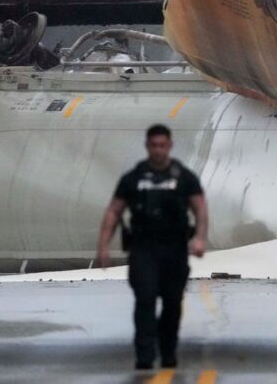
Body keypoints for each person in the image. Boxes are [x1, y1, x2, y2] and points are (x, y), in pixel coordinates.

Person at [97, 124, 209, 371]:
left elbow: (199, 207)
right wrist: (103, 245)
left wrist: (200, 238)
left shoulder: (184, 178)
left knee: (172, 303)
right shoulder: (133, 179)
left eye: (162, 145)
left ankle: (168, 350)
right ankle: (145, 354)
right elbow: (114, 211)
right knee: (145, 299)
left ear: (169, 146)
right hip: (143, 250)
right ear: (148, 146)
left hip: (175, 250)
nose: (158, 150)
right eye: (154, 145)